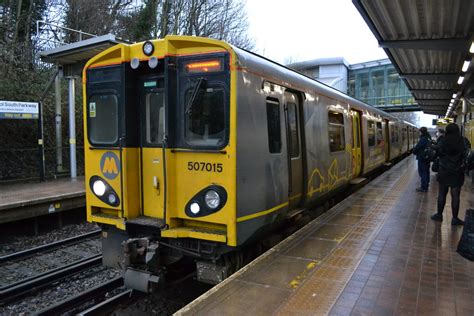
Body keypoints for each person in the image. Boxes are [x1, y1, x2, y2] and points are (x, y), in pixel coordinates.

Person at [431, 123, 471, 225]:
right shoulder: (463, 141)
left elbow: (437, 154)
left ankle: (439, 215)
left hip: (444, 171)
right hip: (457, 172)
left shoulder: (443, 141)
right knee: (455, 196)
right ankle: (455, 218)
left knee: (442, 194)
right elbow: (467, 153)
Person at [413, 126, 432, 192]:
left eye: (420, 132)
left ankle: (424, 187)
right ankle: (426, 185)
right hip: (427, 157)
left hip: (422, 158)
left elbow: (418, 147)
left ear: (422, 132)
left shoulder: (423, 138)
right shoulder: (428, 137)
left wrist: (414, 151)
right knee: (426, 171)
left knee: (422, 172)